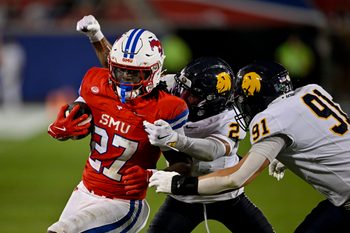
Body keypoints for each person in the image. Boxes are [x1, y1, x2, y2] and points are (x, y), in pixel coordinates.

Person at [76, 15, 275, 233]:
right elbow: (126, 72)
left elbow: (213, 151)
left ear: (211, 101)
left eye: (191, 94)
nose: (181, 93)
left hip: (226, 195)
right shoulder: (174, 85)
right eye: (182, 85)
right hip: (184, 195)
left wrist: (175, 139)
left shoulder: (229, 117)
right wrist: (97, 37)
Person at [148, 61, 350, 233]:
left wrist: (178, 184)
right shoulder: (312, 91)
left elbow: (236, 176)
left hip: (224, 193)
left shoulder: (269, 119)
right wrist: (282, 152)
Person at [47, 27, 190, 233]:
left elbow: (183, 164)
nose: (124, 78)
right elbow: (79, 123)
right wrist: (64, 130)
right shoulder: (96, 83)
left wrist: (151, 176)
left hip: (123, 204)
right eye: (119, 70)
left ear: (154, 71)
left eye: (133, 74)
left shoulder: (166, 108)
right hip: (84, 191)